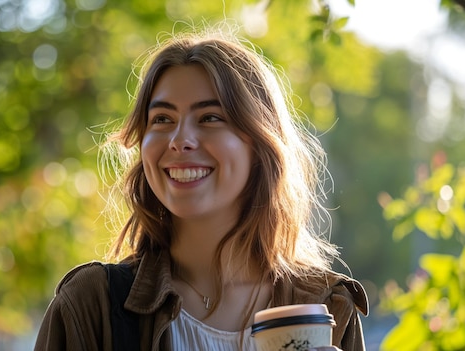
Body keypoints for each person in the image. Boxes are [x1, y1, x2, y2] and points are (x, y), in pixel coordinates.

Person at [34, 25, 368, 351]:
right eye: (162, 119)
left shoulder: (327, 307)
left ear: (260, 144)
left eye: (210, 118)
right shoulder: (91, 305)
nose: (180, 141)